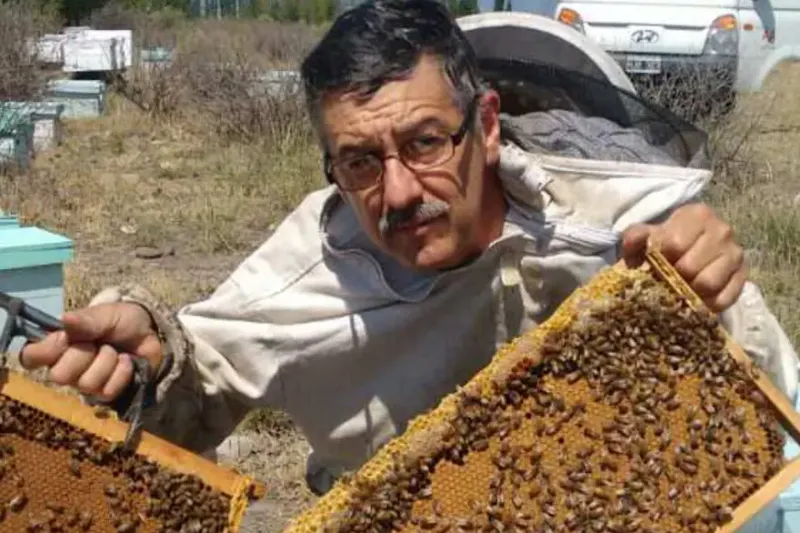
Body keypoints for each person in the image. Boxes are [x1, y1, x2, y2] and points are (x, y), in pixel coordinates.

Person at [19, 0, 798, 499]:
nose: (396, 193)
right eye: (359, 161)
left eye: (426, 142)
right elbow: (191, 391)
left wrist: (713, 291)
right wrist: (144, 365)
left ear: (487, 125)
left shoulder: (615, 217)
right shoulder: (301, 277)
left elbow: (777, 421)